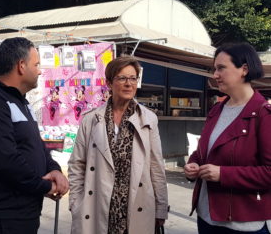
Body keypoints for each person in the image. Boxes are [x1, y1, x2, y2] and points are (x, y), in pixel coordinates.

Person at [0, 37, 69, 234]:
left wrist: (54, 169)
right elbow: (6, 160)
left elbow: (36, 145)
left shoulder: (21, 102)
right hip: (2, 215)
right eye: (36, 64)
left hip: (23, 212)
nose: (39, 70)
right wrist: (44, 186)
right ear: (21, 66)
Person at [68, 56, 168, 234]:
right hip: (98, 206)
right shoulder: (91, 120)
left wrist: (161, 207)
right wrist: (76, 203)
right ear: (109, 83)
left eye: (133, 78)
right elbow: (77, 164)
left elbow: (156, 166)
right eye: (122, 78)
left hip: (136, 206)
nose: (129, 84)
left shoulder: (148, 119)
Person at [184, 42, 271, 234]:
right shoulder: (216, 110)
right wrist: (193, 165)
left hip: (241, 224)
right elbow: (203, 152)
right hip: (206, 217)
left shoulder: (264, 114)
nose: (215, 75)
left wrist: (223, 174)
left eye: (221, 68)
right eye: (215, 69)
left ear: (244, 69)